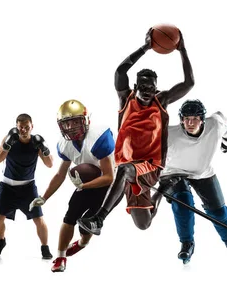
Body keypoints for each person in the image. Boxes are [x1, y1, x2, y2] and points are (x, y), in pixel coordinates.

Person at [77, 27, 194, 235]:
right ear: (136, 86)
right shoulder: (126, 99)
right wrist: (146, 47)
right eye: (144, 87)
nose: (148, 91)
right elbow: (120, 72)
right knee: (143, 224)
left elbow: (189, 83)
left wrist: (182, 50)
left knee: (125, 170)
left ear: (156, 88)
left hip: (150, 165)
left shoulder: (161, 101)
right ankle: (163, 191)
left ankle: (99, 219)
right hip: (128, 166)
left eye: (152, 88)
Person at [157, 99, 227, 264]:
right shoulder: (168, 134)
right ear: (181, 119)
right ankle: (187, 243)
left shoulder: (215, 123)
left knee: (218, 212)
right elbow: (143, 149)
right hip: (173, 173)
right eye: (186, 118)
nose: (190, 122)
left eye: (194, 118)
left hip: (202, 172)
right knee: (183, 203)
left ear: (202, 119)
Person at [29, 99, 116, 272]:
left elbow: (109, 177)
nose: (71, 127)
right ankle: (60, 257)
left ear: (85, 120)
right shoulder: (65, 144)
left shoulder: (99, 137)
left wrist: (84, 185)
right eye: (67, 123)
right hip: (86, 183)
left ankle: (82, 242)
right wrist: (43, 197)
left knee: (87, 224)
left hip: (106, 185)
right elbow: (60, 174)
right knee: (70, 216)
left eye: (75, 122)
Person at [0, 113, 54, 259]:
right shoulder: (9, 138)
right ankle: (1, 241)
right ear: (17, 127)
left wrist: (45, 149)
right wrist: (7, 145)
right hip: (7, 186)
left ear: (32, 126)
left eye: (27, 127)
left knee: (38, 219)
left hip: (28, 187)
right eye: (21, 127)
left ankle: (45, 247)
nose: (24, 130)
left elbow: (50, 164)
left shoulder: (36, 142)